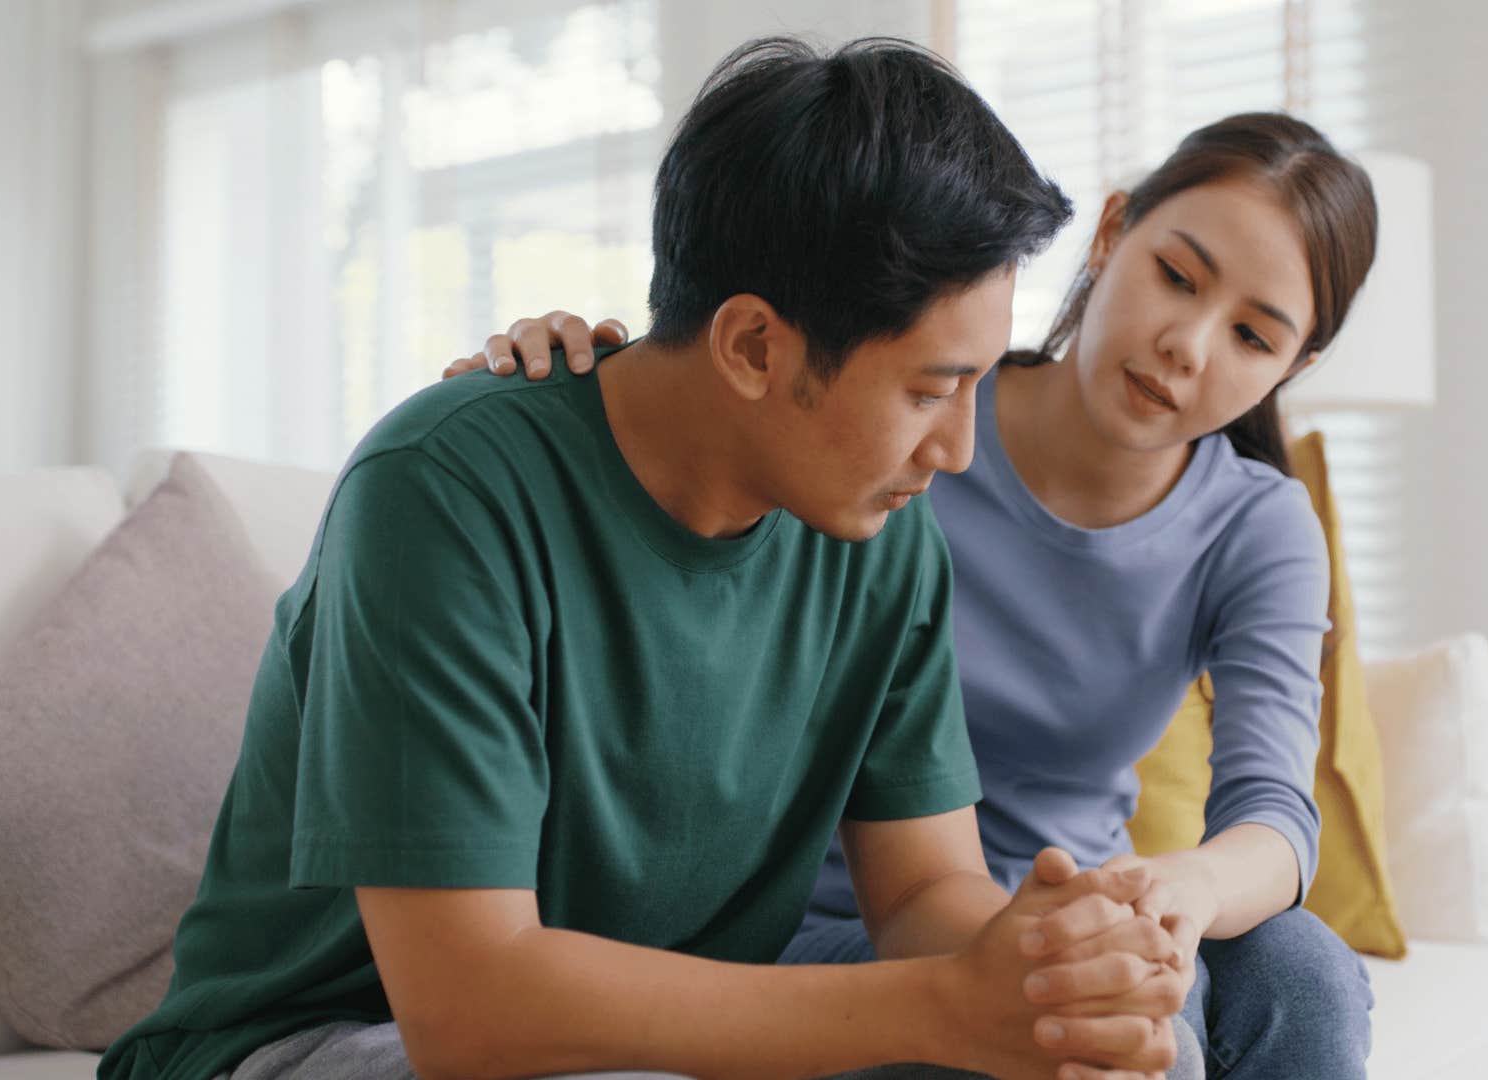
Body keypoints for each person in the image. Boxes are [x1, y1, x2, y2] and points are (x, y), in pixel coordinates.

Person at [100, 36, 1196, 1080]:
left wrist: (1045, 970)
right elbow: (466, 1008)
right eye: (927, 390)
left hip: (651, 1049)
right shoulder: (441, 491)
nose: (958, 450)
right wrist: (943, 1009)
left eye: (973, 384)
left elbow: (921, 898)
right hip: (320, 1041)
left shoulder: (882, 533)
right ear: (755, 346)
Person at [453, 110, 1383, 1078]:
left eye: (1251, 334)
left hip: (1061, 910)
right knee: (1133, 1034)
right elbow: (723, 397)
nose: (1187, 344)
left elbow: (1273, 813)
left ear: (1295, 367)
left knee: (1299, 968)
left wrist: (1176, 890)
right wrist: (574, 370)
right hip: (829, 930)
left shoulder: (1256, 523)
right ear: (1111, 235)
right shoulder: (891, 419)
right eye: (1176, 277)